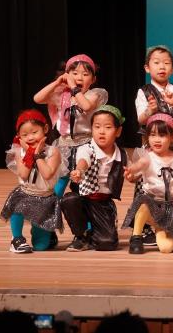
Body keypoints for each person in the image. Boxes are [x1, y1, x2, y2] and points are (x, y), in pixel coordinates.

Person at [134, 45, 173, 246]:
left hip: (172, 142)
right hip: (151, 142)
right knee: (148, 182)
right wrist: (150, 111)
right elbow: (140, 119)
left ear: (172, 69)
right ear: (147, 68)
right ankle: (145, 228)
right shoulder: (144, 91)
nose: (162, 67)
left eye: (166, 63)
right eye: (157, 63)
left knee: (171, 182)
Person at [33, 54, 108, 197]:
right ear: (67, 75)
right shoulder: (62, 95)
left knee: (83, 182)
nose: (79, 77)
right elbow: (37, 98)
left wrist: (73, 86)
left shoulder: (95, 94)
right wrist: (57, 83)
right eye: (74, 73)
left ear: (93, 79)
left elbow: (86, 106)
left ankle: (83, 209)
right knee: (59, 182)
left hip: (86, 144)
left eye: (85, 74)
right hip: (64, 144)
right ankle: (54, 208)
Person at [122, 114, 173, 254]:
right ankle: (136, 237)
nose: (157, 139)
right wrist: (131, 172)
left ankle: (159, 228)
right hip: (152, 202)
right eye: (152, 135)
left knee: (166, 248)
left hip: (170, 207)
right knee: (144, 202)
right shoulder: (148, 157)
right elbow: (138, 166)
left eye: (162, 135)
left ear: (172, 137)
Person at [60, 105, 127, 251]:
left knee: (107, 243)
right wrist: (79, 170)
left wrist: (132, 174)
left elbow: (132, 172)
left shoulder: (121, 154)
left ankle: (97, 230)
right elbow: (84, 160)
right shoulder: (86, 148)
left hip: (102, 203)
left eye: (108, 127)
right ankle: (81, 235)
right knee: (69, 200)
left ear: (118, 131)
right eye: (97, 127)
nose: (101, 131)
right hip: (83, 199)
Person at [0, 109, 63, 253]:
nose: (30, 137)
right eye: (25, 135)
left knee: (41, 247)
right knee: (17, 205)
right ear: (19, 136)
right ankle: (17, 239)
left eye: (34, 132)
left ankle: (45, 231)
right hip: (26, 193)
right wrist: (29, 153)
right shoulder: (19, 152)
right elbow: (23, 174)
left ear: (45, 129)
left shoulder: (53, 152)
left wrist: (38, 155)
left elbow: (47, 174)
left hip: (45, 197)